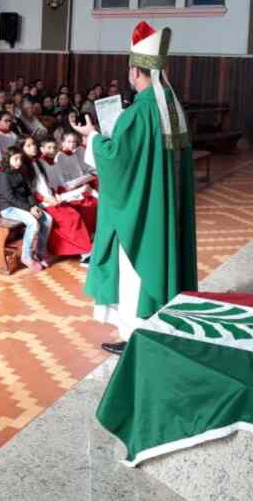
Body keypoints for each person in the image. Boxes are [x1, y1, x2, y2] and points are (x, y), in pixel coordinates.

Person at [73, 22, 197, 355]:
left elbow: (116, 159)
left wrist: (92, 137)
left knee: (134, 275)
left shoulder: (140, 111)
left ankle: (135, 335)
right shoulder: (171, 105)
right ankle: (162, 324)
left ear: (135, 71)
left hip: (142, 215)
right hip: (164, 209)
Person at [21, 136, 93, 261]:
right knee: (70, 218)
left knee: (73, 213)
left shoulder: (37, 162)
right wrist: (46, 199)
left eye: (33, 144)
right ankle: (83, 251)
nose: (33, 147)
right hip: (38, 202)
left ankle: (82, 249)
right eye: (28, 146)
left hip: (49, 197)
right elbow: (29, 190)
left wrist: (54, 194)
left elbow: (46, 184)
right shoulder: (25, 166)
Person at [0, 146, 52, 272]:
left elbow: (28, 192)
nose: (19, 162)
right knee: (33, 222)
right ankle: (26, 256)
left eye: (20, 159)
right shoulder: (3, 176)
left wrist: (34, 206)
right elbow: (10, 198)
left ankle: (39, 253)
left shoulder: (19, 172)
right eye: (15, 159)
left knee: (47, 219)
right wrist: (29, 209)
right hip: (8, 208)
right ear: (8, 159)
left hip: (23, 206)